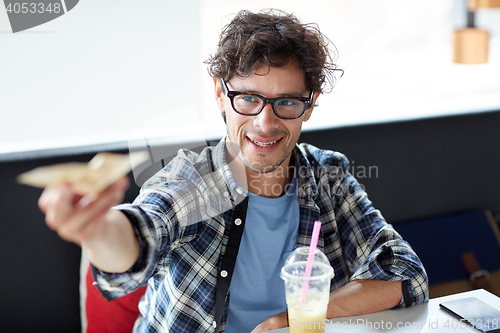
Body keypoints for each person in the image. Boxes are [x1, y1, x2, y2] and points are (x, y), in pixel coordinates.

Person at [38, 9, 429, 333]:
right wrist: (98, 229)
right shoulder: (190, 181)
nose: (265, 123)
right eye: (248, 99)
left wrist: (293, 321)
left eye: (287, 103)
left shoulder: (328, 177)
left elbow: (405, 273)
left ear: (309, 106)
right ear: (219, 94)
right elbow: (141, 233)